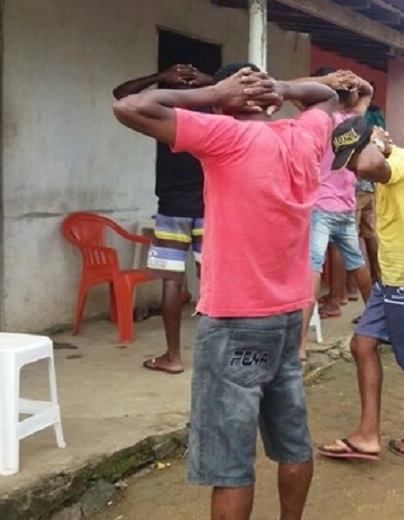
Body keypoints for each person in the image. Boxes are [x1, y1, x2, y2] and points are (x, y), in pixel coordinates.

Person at [113, 62, 340, 520]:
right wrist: (283, 86)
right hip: (288, 317)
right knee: (292, 440)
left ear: (228, 99)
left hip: (235, 321)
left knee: (231, 466)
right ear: (270, 101)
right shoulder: (302, 136)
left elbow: (129, 105)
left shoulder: (225, 137)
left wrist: (214, 93)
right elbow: (327, 98)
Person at [317, 117, 404, 467]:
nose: (354, 171)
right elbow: (368, 162)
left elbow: (372, 162)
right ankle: (367, 434)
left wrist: (376, 141)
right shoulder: (385, 164)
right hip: (392, 278)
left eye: (353, 158)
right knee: (362, 344)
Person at [113, 64, 211, 374]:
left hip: (171, 208)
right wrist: (209, 82)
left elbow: (121, 96)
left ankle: (173, 356)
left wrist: (159, 79)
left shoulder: (161, 115)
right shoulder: (209, 112)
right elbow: (239, 95)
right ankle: (212, 357)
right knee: (211, 282)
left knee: (172, 281)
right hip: (209, 208)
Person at [300, 67, 374, 354]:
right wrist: (357, 80)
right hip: (345, 203)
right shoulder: (355, 122)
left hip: (319, 204)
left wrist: (324, 82)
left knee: (312, 268)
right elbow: (367, 92)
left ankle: (301, 344)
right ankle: (375, 322)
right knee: (357, 263)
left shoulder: (319, 119)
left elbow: (295, 87)